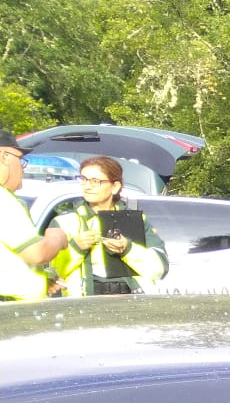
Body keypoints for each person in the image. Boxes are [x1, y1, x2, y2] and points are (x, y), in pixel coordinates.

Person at [52, 156, 168, 296]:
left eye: (96, 181)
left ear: (115, 187)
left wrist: (127, 249)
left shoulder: (135, 220)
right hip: (85, 306)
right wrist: (75, 247)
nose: (87, 186)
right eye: (83, 179)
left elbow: (160, 268)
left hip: (132, 304)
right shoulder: (65, 222)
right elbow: (51, 272)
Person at [0, 129, 70, 302]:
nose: (23, 168)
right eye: (20, 160)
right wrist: (57, 237)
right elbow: (37, 253)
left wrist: (38, 280)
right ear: (3, 156)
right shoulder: (3, 199)